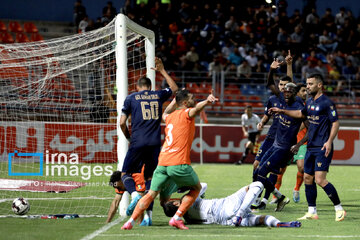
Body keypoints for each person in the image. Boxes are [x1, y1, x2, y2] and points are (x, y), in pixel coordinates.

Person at [121, 89, 218, 230]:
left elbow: (165, 112)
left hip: (162, 162)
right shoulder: (187, 113)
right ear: (184, 103)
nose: (194, 99)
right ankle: (177, 218)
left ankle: (129, 222)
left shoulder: (169, 117)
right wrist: (207, 101)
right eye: (191, 98)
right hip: (178, 162)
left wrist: (175, 100)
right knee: (196, 188)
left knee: (151, 194)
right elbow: (197, 109)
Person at [269, 73, 346, 222]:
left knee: (320, 180)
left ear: (319, 85)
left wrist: (329, 141)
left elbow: (335, 123)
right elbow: (299, 113)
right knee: (307, 178)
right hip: (310, 146)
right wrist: (282, 111)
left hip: (322, 147)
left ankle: (339, 209)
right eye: (307, 84)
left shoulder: (326, 103)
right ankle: (312, 211)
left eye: (310, 84)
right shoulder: (309, 102)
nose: (308, 86)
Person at [120, 57, 178, 222]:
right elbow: (174, 88)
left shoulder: (131, 98)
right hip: (154, 144)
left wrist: (129, 138)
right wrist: (162, 71)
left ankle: (134, 196)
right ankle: (148, 216)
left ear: (137, 87)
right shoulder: (157, 95)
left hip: (138, 142)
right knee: (150, 179)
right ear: (150, 87)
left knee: (126, 173)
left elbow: (122, 123)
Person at [163, 181, 301, 228]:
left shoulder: (188, 219)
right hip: (225, 206)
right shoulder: (186, 199)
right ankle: (240, 214)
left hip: (224, 221)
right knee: (258, 184)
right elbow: (203, 185)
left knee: (262, 219)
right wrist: (185, 187)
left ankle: (279, 224)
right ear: (175, 203)